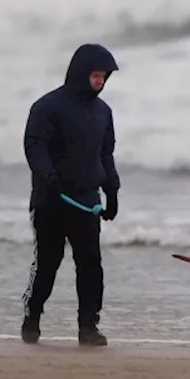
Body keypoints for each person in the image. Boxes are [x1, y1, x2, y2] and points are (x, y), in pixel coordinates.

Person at [20, 42, 121, 346]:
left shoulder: (103, 112)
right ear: (80, 73)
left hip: (87, 201)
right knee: (47, 264)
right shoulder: (47, 107)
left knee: (91, 265)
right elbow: (34, 145)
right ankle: (32, 317)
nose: (100, 82)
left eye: (104, 76)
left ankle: (88, 327)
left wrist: (112, 191)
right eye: (95, 75)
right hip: (52, 200)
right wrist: (47, 176)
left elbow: (106, 155)